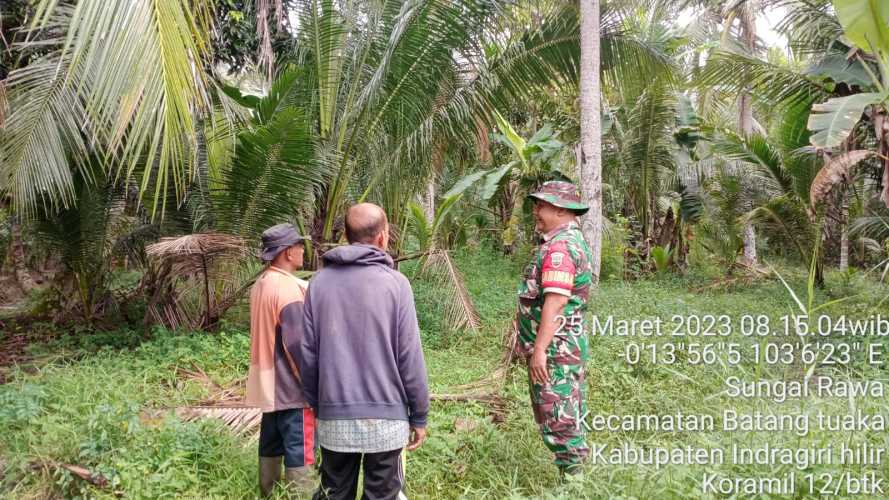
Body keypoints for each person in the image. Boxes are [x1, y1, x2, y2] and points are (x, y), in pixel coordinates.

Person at [295, 203, 429, 500]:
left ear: (345, 235)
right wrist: (419, 416)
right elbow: (409, 356)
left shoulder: (319, 284)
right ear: (384, 237)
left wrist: (319, 406)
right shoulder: (396, 285)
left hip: (333, 417)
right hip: (387, 420)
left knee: (334, 493)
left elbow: (308, 355)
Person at [515, 181, 593, 481]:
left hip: (556, 350)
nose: (536, 211)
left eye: (542, 206)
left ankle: (575, 484)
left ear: (560, 209)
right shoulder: (567, 241)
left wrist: (539, 351)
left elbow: (556, 302)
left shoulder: (560, 248)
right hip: (563, 347)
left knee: (559, 418)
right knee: (566, 410)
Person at [247, 223, 315, 496]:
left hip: (268, 386)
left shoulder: (262, 284)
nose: (302, 250)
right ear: (287, 253)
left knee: (271, 444)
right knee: (301, 449)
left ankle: (269, 492)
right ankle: (303, 494)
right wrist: (312, 388)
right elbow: (297, 345)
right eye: (299, 245)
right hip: (292, 389)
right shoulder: (288, 290)